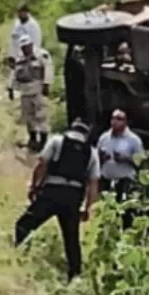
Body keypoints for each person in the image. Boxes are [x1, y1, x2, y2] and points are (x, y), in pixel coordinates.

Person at [15, 119, 100, 281]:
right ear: (86, 134)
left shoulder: (56, 141)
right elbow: (93, 184)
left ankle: (15, 253)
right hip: (73, 198)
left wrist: (34, 187)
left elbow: (42, 165)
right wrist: (87, 208)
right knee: (71, 240)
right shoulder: (92, 152)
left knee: (25, 224)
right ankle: (75, 276)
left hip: (52, 192)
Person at [12, 35, 53, 152]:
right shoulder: (19, 58)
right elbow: (15, 74)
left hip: (38, 89)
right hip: (25, 91)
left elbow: (48, 69)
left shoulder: (41, 55)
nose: (25, 49)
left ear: (31, 45)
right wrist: (12, 88)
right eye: (23, 47)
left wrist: (46, 84)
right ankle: (33, 138)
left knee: (41, 115)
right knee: (28, 117)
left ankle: (44, 140)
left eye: (27, 46)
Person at [97, 108, 145, 206]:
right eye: (113, 118)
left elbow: (141, 162)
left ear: (125, 121)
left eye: (119, 119)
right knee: (106, 210)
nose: (114, 121)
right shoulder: (104, 138)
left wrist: (127, 158)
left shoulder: (134, 140)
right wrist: (102, 157)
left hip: (125, 182)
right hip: (106, 181)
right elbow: (96, 159)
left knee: (124, 211)